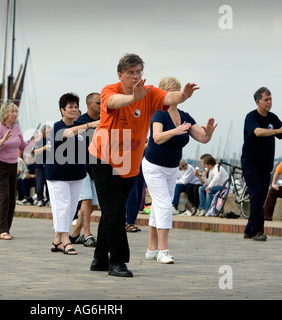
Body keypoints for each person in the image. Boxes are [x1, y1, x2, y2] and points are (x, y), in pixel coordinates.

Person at [88, 54, 199, 277]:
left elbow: (169, 96)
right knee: (116, 210)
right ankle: (117, 262)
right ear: (120, 75)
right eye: (131, 73)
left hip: (129, 162)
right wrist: (132, 97)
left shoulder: (149, 92)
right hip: (103, 158)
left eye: (139, 72)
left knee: (112, 210)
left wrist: (183, 96)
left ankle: (100, 258)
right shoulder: (110, 90)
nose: (136, 76)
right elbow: (112, 102)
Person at [142, 76, 216, 264]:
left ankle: (152, 249)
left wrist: (208, 133)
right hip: (153, 166)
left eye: (178, 91)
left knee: (160, 206)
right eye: (174, 91)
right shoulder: (158, 113)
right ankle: (163, 251)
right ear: (165, 94)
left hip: (171, 168)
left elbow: (202, 138)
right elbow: (157, 138)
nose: (178, 95)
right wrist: (174, 131)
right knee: (165, 205)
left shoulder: (185, 116)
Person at [241, 87, 282, 241]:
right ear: (258, 101)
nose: (269, 102)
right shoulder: (251, 117)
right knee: (256, 195)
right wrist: (276, 131)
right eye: (266, 99)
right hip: (250, 164)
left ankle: (248, 230)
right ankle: (258, 231)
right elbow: (258, 132)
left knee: (261, 198)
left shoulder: (272, 117)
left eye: (270, 99)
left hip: (265, 165)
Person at [45, 93, 99, 255]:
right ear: (63, 110)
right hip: (58, 174)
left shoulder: (81, 128)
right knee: (62, 206)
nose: (74, 109)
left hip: (77, 174)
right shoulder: (58, 126)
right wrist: (89, 125)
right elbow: (68, 134)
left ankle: (56, 241)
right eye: (70, 107)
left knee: (70, 209)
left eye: (76, 106)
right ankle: (66, 240)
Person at [0, 102, 34, 240]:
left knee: (11, 200)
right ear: (5, 113)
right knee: (3, 198)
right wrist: (2, 141)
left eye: (16, 111)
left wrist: (35, 142)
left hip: (13, 166)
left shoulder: (17, 128)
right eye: (12, 111)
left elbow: (23, 146)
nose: (15, 114)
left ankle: (1, 230)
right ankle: (2, 230)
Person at [70, 92, 101, 247]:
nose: (102, 106)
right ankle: (87, 234)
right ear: (89, 104)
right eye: (98, 103)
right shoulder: (81, 122)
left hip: (96, 168)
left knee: (94, 203)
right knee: (86, 200)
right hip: (81, 167)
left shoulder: (103, 121)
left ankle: (75, 234)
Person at [33, 124, 51, 207]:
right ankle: (39, 199)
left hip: (49, 164)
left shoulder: (52, 140)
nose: (48, 134)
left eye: (50, 132)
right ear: (43, 132)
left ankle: (48, 200)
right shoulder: (39, 141)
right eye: (47, 132)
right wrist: (44, 148)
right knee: (40, 183)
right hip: (40, 164)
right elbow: (35, 152)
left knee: (49, 184)